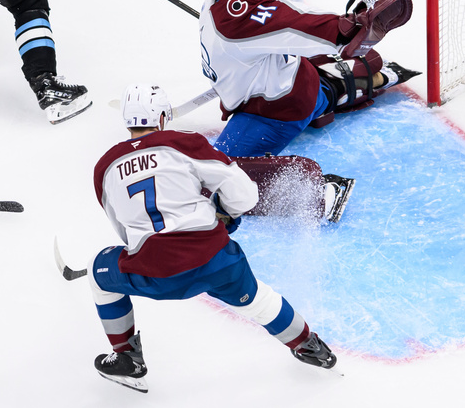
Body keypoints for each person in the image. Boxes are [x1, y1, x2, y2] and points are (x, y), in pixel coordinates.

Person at [88, 83, 337, 393]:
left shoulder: (104, 167)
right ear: (163, 117)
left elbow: (124, 229)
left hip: (154, 273)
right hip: (214, 260)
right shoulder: (183, 143)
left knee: (98, 273)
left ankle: (127, 359)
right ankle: (309, 346)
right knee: (259, 299)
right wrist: (224, 213)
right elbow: (245, 195)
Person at [197, 0, 420, 157]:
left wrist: (345, 27)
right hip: (294, 77)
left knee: (218, 173)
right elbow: (293, 9)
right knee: (307, 81)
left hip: (273, 108)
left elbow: (291, 23)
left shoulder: (235, 18)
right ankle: (338, 85)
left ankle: (336, 88)